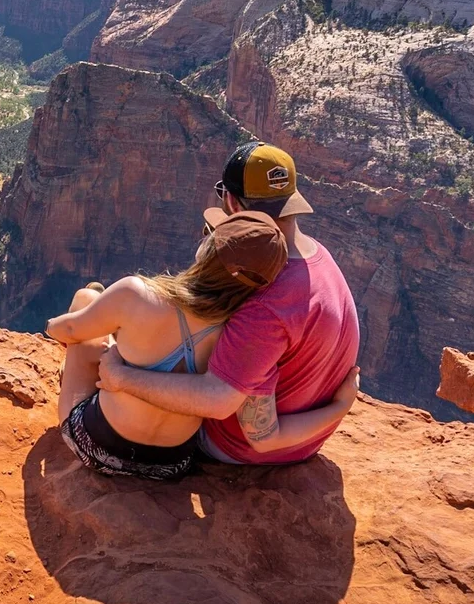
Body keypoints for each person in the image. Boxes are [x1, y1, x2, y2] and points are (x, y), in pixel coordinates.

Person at [97, 140, 361, 465]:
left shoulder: (264, 297)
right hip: (307, 442)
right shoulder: (317, 255)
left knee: (129, 347)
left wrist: (121, 377)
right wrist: (336, 411)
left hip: (237, 449)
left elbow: (235, 414)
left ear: (232, 202)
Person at [46, 209, 293, 481]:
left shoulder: (136, 293)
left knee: (87, 297)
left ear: (208, 251)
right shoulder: (242, 334)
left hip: (96, 447)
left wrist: (51, 327)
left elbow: (69, 330)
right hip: (171, 465)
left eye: (208, 234)